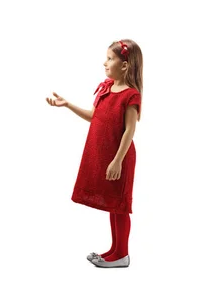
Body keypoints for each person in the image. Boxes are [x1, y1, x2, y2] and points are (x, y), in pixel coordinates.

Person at [46, 39, 143, 268]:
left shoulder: (130, 95)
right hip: (105, 156)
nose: (105, 63)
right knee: (113, 206)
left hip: (120, 157)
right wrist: (67, 104)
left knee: (120, 206)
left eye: (110, 58)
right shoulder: (106, 88)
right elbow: (93, 116)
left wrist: (117, 160)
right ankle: (115, 250)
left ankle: (122, 254)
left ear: (125, 65)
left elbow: (130, 130)